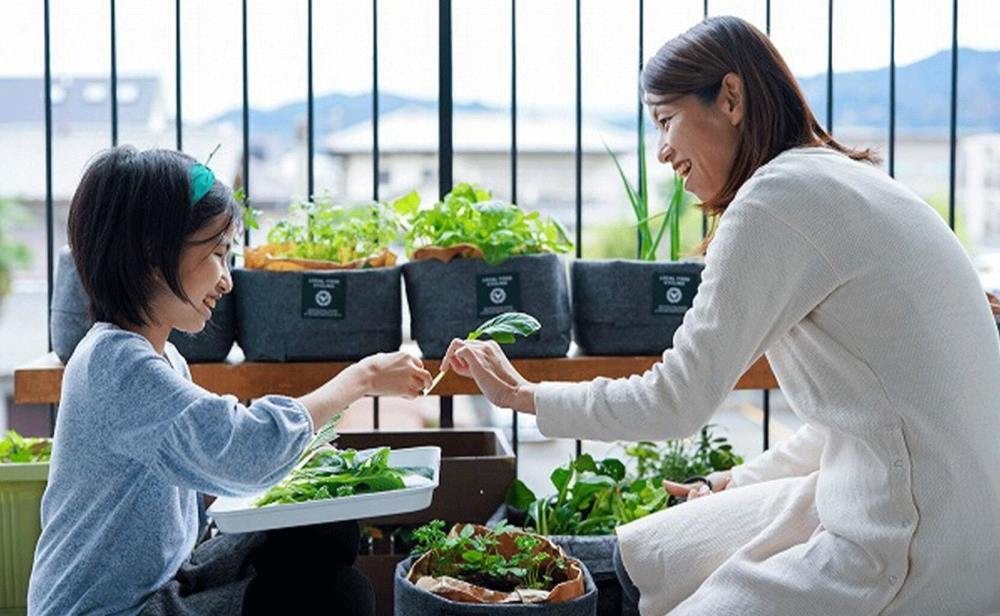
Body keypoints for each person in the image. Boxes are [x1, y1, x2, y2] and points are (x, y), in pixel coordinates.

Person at [442, 16, 1000, 616]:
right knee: (652, 551)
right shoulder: (844, 180)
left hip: (910, 535)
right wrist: (744, 478)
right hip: (947, 507)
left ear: (730, 97)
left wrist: (525, 396)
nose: (661, 151)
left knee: (661, 583)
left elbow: (677, 400)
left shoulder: (774, 202)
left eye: (665, 120)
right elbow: (869, 409)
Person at [27, 146, 433, 616]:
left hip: (165, 584)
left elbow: (230, 463)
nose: (227, 280)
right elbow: (247, 449)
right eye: (217, 254)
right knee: (338, 597)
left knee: (325, 531)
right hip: (113, 610)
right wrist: (361, 378)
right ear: (152, 253)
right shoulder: (116, 366)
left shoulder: (162, 357)